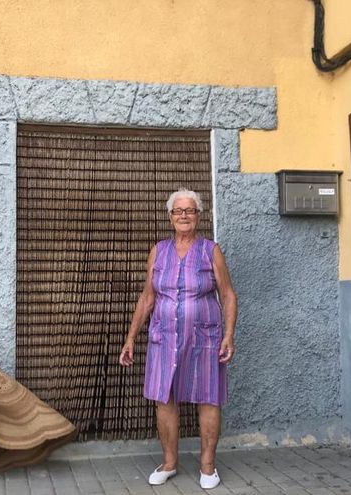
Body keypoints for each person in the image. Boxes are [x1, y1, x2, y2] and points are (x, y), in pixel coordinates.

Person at [119, 188, 238, 490]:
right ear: (170, 217)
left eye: (190, 210)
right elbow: (148, 297)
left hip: (205, 338)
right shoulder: (158, 251)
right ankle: (170, 463)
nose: (184, 215)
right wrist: (131, 337)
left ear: (199, 216)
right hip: (164, 336)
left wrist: (228, 335)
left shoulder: (211, 250)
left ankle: (208, 467)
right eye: (178, 211)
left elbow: (227, 294)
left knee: (208, 398)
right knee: (164, 398)